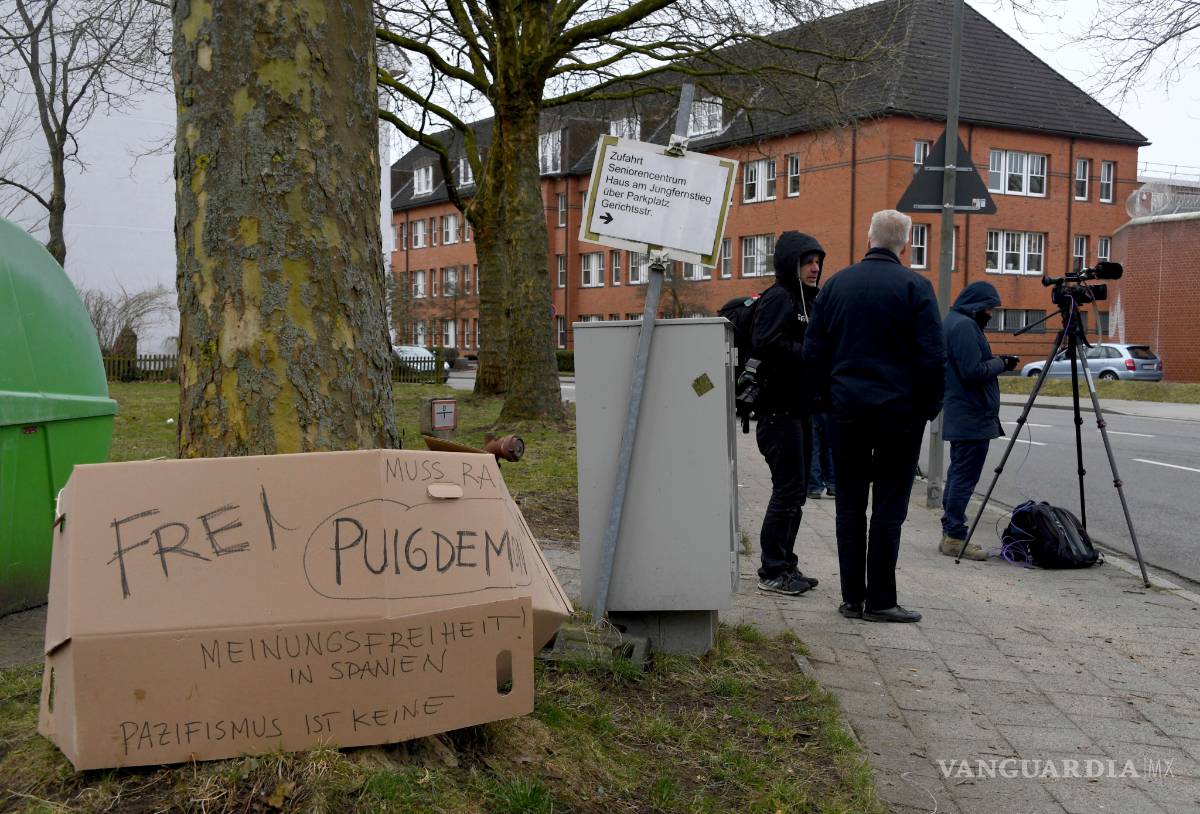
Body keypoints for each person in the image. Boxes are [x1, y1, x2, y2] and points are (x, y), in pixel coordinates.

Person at [803, 210, 945, 622]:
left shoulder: (836, 286)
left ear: (868, 238)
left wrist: (823, 399)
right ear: (905, 244)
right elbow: (933, 357)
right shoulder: (916, 287)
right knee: (888, 507)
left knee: (848, 505)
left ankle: (851, 598)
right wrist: (928, 407)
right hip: (899, 414)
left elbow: (814, 351)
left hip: (846, 411)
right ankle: (881, 599)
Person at [752, 231, 825, 596]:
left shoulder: (807, 299)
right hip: (778, 413)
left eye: (817, 262)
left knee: (795, 493)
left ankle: (786, 563)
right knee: (787, 491)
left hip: (798, 411)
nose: (815, 268)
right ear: (791, 264)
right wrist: (808, 353)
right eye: (807, 262)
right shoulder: (780, 297)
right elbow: (765, 341)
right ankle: (771, 570)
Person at [940, 282, 1019, 560]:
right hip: (970, 415)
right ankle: (954, 536)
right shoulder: (963, 326)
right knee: (963, 476)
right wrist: (1002, 363)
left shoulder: (957, 322)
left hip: (966, 413)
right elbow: (972, 372)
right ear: (977, 305)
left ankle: (951, 531)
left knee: (958, 474)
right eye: (989, 308)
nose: (991, 313)